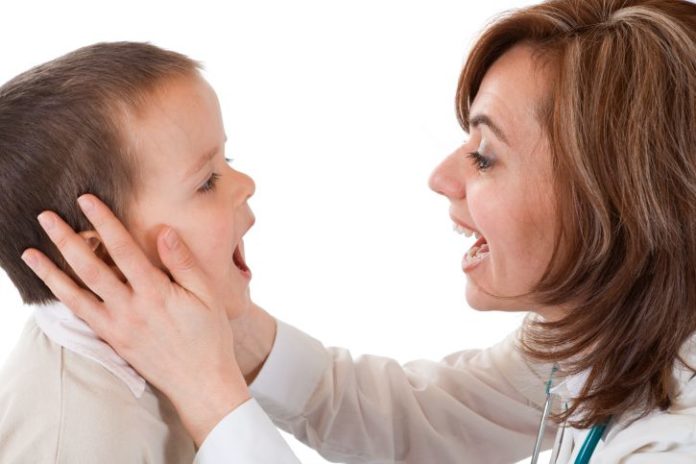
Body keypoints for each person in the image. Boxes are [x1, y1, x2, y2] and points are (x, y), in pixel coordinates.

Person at [17, 0, 696, 462]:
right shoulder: (601, 337)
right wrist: (230, 334)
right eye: (207, 176)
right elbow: (420, 417)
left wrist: (210, 392)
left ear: (618, 201)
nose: (441, 176)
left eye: (485, 156)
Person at [0, 41, 262, 462]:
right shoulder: (77, 443)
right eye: (207, 181)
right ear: (102, 258)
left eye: (227, 158)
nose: (246, 183)